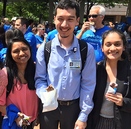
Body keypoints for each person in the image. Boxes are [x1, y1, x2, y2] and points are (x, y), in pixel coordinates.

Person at [35, 0, 96, 129]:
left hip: (73, 109)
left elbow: (88, 84)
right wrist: (45, 95)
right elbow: (40, 79)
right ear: (54, 19)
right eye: (60, 19)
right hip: (49, 107)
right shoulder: (45, 49)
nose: (64, 24)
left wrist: (83, 115)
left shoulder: (86, 50)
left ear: (77, 21)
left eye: (70, 19)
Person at [87, 29, 131, 129]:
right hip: (96, 121)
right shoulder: (96, 70)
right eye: (108, 44)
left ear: (124, 47)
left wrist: (124, 102)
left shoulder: (129, 70)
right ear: (102, 47)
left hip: (122, 123)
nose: (112, 48)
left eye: (117, 44)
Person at [0, 34, 39, 129]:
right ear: (10, 55)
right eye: (16, 51)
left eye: (24, 49)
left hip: (31, 121)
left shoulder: (37, 70)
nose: (21, 53)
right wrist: (15, 116)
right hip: (13, 122)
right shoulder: (5, 74)